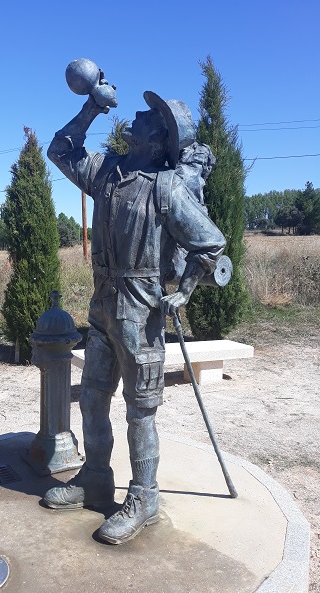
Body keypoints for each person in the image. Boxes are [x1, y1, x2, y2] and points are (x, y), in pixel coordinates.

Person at [44, 85, 226, 545]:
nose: (139, 115)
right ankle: (95, 478)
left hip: (141, 314)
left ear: (158, 139)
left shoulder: (166, 187)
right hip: (103, 307)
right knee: (92, 398)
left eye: (150, 116)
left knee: (140, 413)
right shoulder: (107, 171)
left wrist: (183, 292)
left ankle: (144, 497)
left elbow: (210, 243)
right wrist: (91, 107)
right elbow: (60, 149)